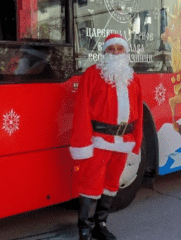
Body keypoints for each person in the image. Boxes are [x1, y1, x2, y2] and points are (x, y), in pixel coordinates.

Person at [70, 34, 143, 240]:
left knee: (111, 183)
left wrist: (136, 142)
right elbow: (82, 110)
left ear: (126, 52)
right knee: (90, 184)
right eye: (112, 49)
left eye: (120, 49)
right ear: (104, 52)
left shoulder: (132, 77)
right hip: (99, 141)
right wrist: (83, 143)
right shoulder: (92, 74)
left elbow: (138, 111)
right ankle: (85, 229)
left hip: (123, 141)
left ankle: (100, 224)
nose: (116, 52)